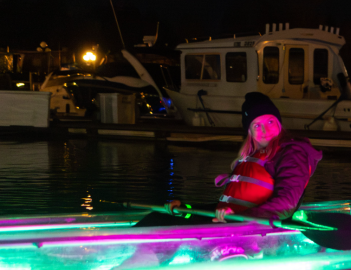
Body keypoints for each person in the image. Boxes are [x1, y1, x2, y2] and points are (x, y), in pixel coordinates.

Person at [136, 95, 322, 226]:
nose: (265, 130)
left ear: (279, 123)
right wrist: (187, 208)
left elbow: (286, 204)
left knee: (165, 226)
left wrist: (239, 218)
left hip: (255, 230)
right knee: (158, 218)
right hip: (233, 223)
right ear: (249, 131)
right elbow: (227, 207)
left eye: (270, 121)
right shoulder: (251, 158)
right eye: (257, 125)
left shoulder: (292, 153)